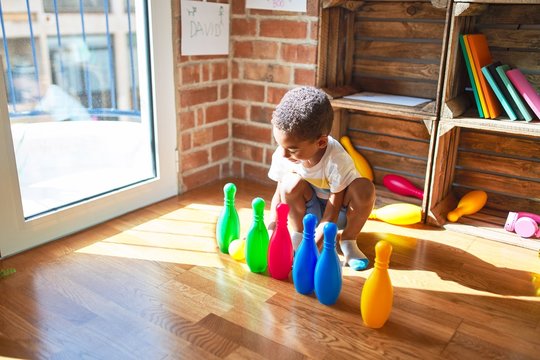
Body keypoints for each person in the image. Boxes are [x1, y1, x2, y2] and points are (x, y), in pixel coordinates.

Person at [267, 86, 376, 271]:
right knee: (288, 184)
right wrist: (272, 229)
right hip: (307, 213)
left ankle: (349, 242)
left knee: (365, 188)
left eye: (292, 150)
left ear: (321, 142)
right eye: (280, 145)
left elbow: (331, 214)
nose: (284, 154)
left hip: (338, 213)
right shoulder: (283, 153)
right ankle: (298, 235)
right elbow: (278, 196)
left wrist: (313, 245)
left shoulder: (336, 159)